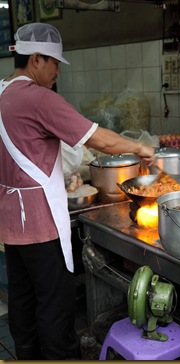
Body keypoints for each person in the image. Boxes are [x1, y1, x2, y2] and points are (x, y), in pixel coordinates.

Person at [0, 23, 154, 360]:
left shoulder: (3, 92)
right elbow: (99, 139)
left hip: (11, 225)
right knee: (55, 305)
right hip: (41, 224)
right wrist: (142, 148)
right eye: (54, 62)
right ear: (36, 59)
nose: (57, 70)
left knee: (24, 302)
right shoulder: (39, 98)